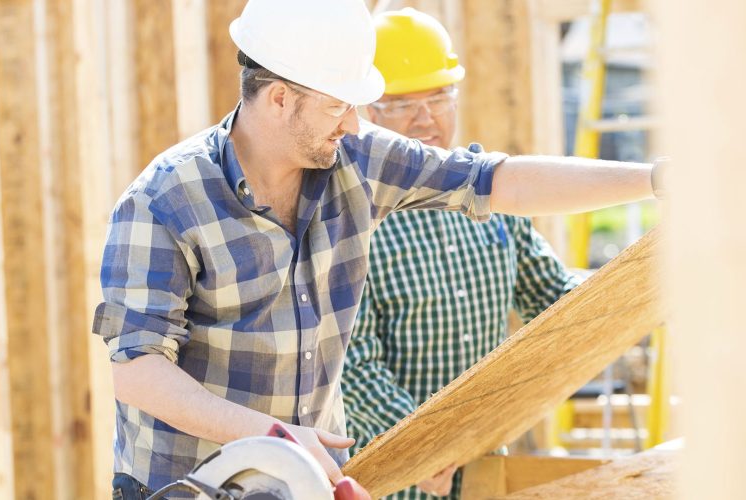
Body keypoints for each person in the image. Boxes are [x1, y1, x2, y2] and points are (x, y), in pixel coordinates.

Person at [91, 0, 661, 496]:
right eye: (340, 105)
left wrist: (653, 179)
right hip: (193, 487)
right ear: (281, 99)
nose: (357, 125)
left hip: (305, 486)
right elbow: (137, 370)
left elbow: (493, 180)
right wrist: (273, 438)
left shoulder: (356, 162)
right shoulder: (163, 203)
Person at [341, 9, 582, 499]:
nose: (426, 117)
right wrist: (429, 447)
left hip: (483, 473)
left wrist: (631, 294)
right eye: (402, 103)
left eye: (438, 96)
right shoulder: (352, 220)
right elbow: (355, 367)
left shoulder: (498, 200)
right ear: (367, 111)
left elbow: (555, 302)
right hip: (394, 479)